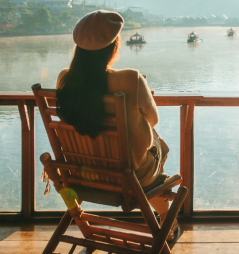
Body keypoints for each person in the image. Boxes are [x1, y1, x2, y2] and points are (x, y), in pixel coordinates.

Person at [55, 10, 177, 239]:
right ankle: (166, 221)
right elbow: (153, 120)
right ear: (114, 46)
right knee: (158, 144)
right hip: (126, 176)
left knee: (151, 150)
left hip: (82, 172)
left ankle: (165, 219)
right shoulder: (130, 78)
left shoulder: (64, 79)